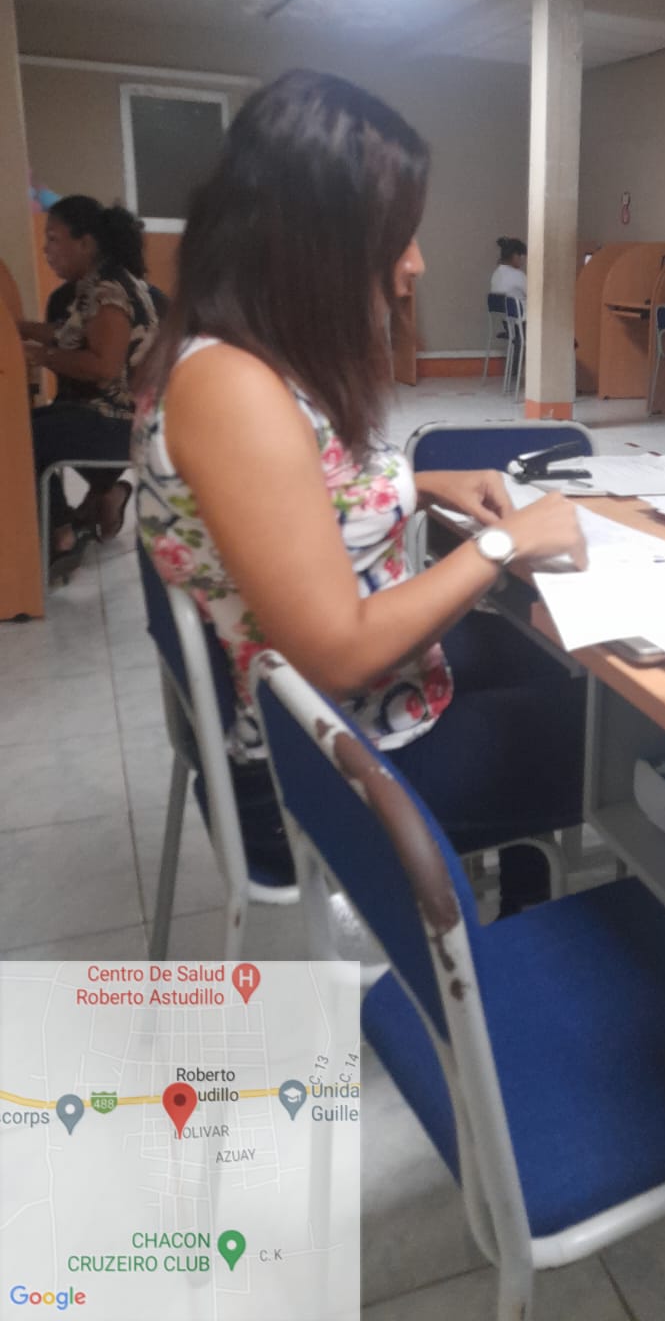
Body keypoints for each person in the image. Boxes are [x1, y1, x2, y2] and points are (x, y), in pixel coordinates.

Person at [134, 70, 587, 910]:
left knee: (547, 670)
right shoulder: (230, 389)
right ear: (316, 242)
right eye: (398, 237)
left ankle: (525, 892)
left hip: (352, 721)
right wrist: (504, 544)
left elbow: (302, 491)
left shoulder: (242, 359)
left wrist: (419, 483)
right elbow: (337, 653)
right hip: (326, 775)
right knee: (620, 740)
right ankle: (567, 940)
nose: (415, 263)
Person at [20, 196, 158, 578]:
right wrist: (19, 330)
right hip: (116, 417)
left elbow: (103, 366)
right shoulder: (97, 282)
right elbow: (65, 335)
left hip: (123, 424)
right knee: (27, 426)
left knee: (24, 438)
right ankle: (69, 523)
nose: (46, 250)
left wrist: (39, 355)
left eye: (53, 239)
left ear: (85, 243)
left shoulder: (109, 290)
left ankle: (62, 535)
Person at [489, 236, 527, 303]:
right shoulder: (517, 275)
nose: (523, 259)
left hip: (501, 310)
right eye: (521, 255)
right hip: (519, 309)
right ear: (514, 255)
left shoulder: (496, 274)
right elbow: (535, 294)